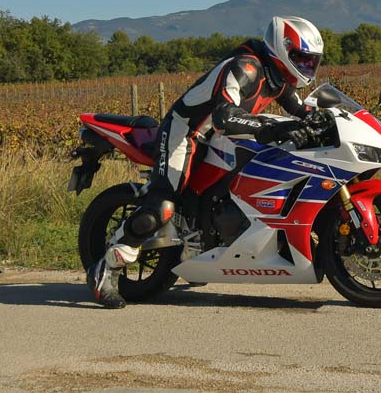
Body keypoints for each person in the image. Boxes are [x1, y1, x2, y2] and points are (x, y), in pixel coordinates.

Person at [87, 16, 325, 308]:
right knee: (161, 208)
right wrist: (273, 128)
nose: (305, 67)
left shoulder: (278, 77)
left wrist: (324, 119)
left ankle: (200, 246)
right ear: (282, 49)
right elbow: (225, 116)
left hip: (217, 137)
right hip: (185, 133)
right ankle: (106, 268)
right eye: (300, 59)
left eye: (310, 61)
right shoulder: (245, 68)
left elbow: (299, 108)